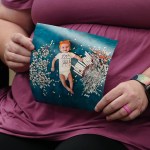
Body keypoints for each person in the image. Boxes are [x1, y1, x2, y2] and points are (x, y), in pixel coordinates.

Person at [0, 0, 150, 150]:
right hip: (29, 114)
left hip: (121, 125)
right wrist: (11, 46)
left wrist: (144, 83)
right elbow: (8, 19)